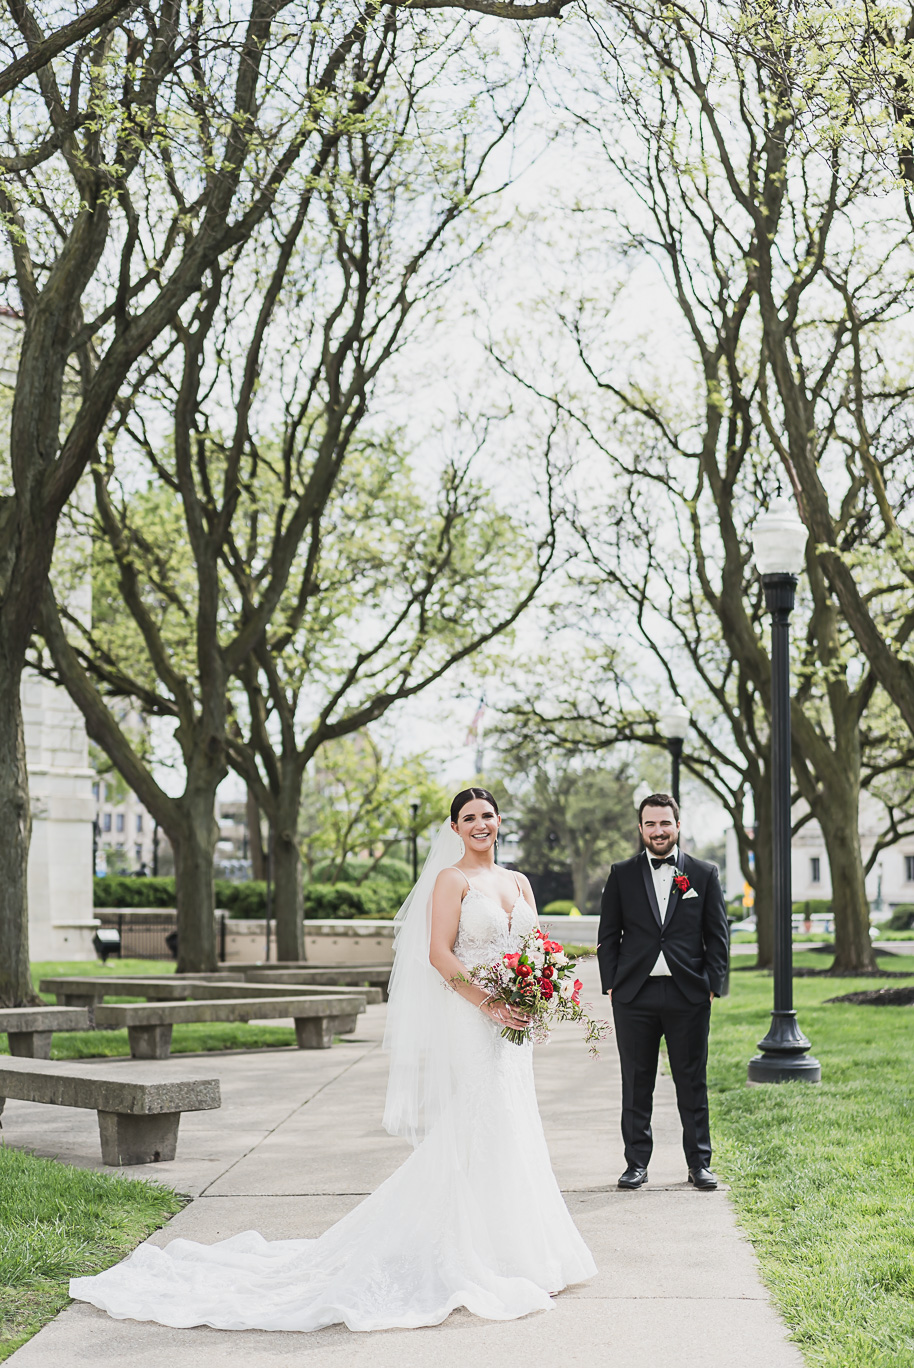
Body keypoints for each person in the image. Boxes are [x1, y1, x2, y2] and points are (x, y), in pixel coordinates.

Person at [70, 787, 595, 1331]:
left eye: (487, 815)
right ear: (455, 828)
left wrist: (534, 998)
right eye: (469, 818)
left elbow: (537, 949)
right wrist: (490, 1002)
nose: (480, 824)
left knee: (515, 1121)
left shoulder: (519, 882)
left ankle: (523, 1250)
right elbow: (439, 953)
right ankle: (475, 1252)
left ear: (499, 820)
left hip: (515, 1022)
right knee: (482, 1121)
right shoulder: (451, 881)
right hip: (472, 1016)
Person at [598, 793, 729, 1192]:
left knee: (692, 1081)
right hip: (634, 996)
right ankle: (636, 1163)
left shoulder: (704, 874)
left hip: (688, 994)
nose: (658, 831)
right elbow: (609, 935)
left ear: (677, 826)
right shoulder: (621, 874)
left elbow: (718, 936)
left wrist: (712, 986)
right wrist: (612, 985)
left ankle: (699, 1164)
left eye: (665, 823)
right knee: (636, 1082)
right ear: (641, 828)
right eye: (650, 824)